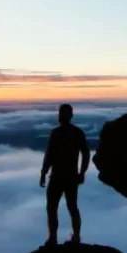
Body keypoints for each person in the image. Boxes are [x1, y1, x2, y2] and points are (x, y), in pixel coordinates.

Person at [40, 103, 90, 245]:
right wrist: (82, 173)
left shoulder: (56, 133)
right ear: (71, 116)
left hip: (57, 176)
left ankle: (53, 238)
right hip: (71, 177)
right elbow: (85, 153)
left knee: (52, 208)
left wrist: (44, 172)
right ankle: (75, 238)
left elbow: (49, 155)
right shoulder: (77, 132)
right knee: (72, 207)